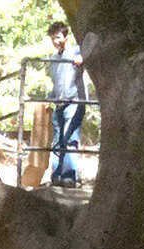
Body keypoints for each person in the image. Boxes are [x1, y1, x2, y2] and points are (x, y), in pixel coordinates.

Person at [47, 21, 88, 187]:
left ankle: (69, 177)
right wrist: (49, 99)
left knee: (69, 138)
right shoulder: (54, 59)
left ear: (65, 36)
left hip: (74, 101)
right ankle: (56, 177)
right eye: (52, 39)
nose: (56, 42)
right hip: (59, 103)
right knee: (57, 141)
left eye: (58, 37)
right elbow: (56, 83)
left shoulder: (76, 50)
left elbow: (91, 54)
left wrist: (82, 58)